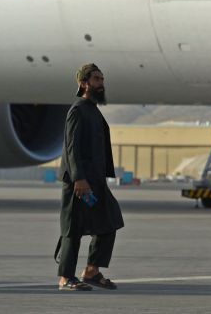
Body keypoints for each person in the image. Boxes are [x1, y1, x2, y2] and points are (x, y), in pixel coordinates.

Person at [55, 63, 124, 291]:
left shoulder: (93, 110)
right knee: (73, 229)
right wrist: (78, 179)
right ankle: (66, 277)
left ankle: (91, 271)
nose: (101, 84)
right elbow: (71, 148)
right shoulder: (78, 110)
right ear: (84, 83)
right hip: (79, 181)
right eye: (96, 79)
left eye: (102, 79)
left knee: (110, 221)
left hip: (95, 181)